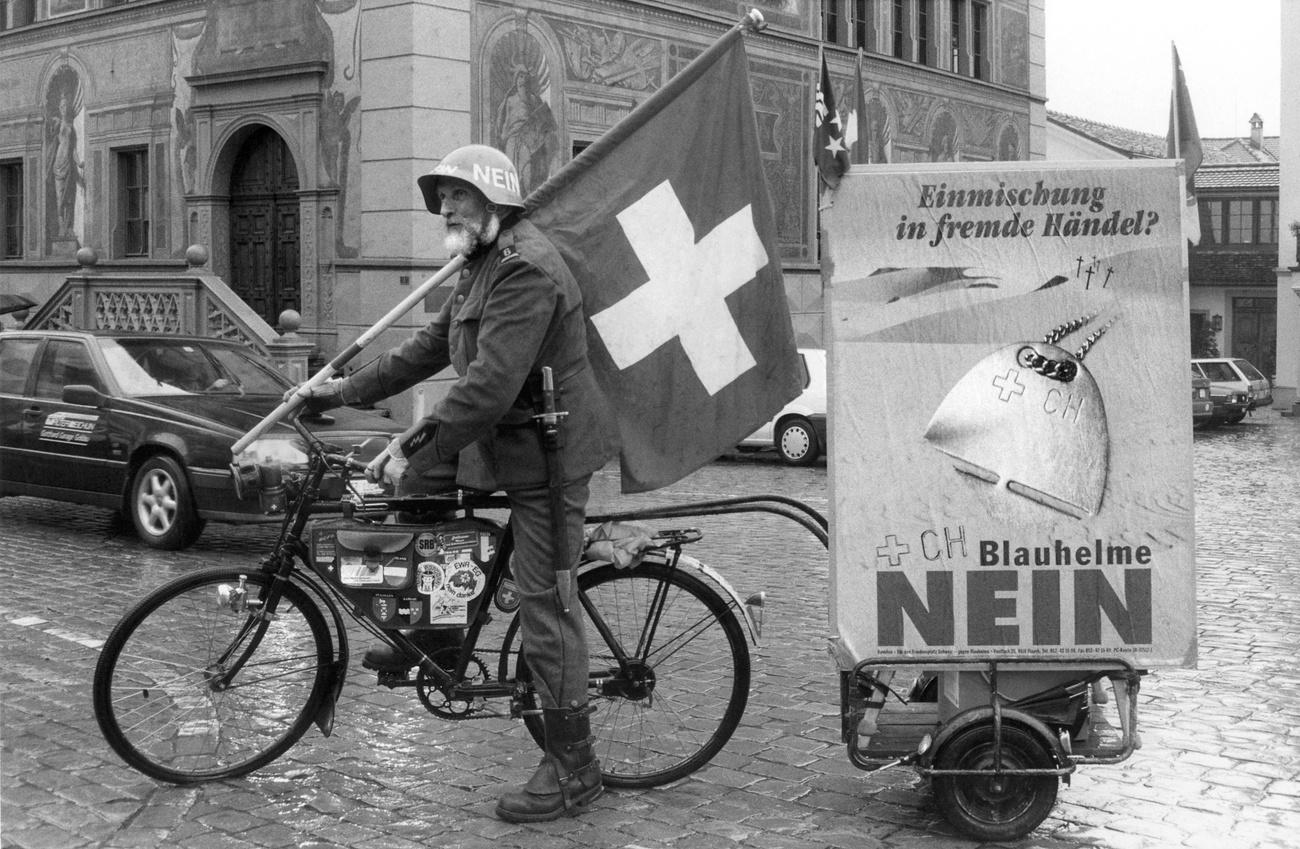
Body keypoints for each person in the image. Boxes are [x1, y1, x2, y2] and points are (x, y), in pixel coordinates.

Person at [292, 144, 618, 822]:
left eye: (457, 197)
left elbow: (488, 387)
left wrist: (408, 438)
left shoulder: (525, 270)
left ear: (495, 200)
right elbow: (426, 349)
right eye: (441, 197)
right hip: (508, 443)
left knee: (544, 607)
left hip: (548, 461)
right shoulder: (480, 266)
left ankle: (574, 767)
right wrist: (340, 392)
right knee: (422, 483)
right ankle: (438, 633)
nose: (444, 208)